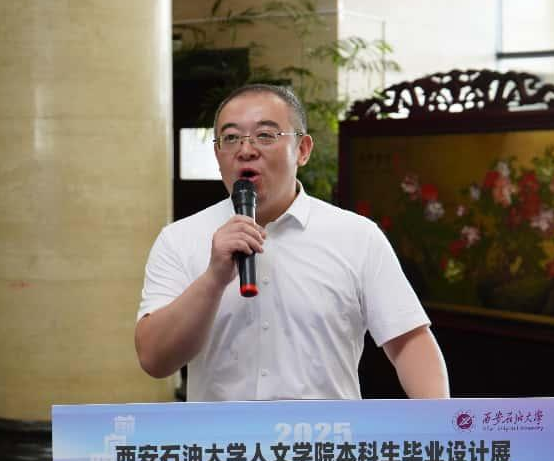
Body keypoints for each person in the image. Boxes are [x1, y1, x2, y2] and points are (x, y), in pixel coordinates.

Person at [135, 84, 449, 401]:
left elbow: (409, 342)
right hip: (222, 434)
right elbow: (154, 360)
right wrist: (213, 279)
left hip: (325, 433)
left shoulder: (358, 236)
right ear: (218, 155)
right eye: (230, 138)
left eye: (265, 135)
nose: (246, 149)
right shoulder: (180, 239)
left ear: (302, 149)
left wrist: (439, 421)